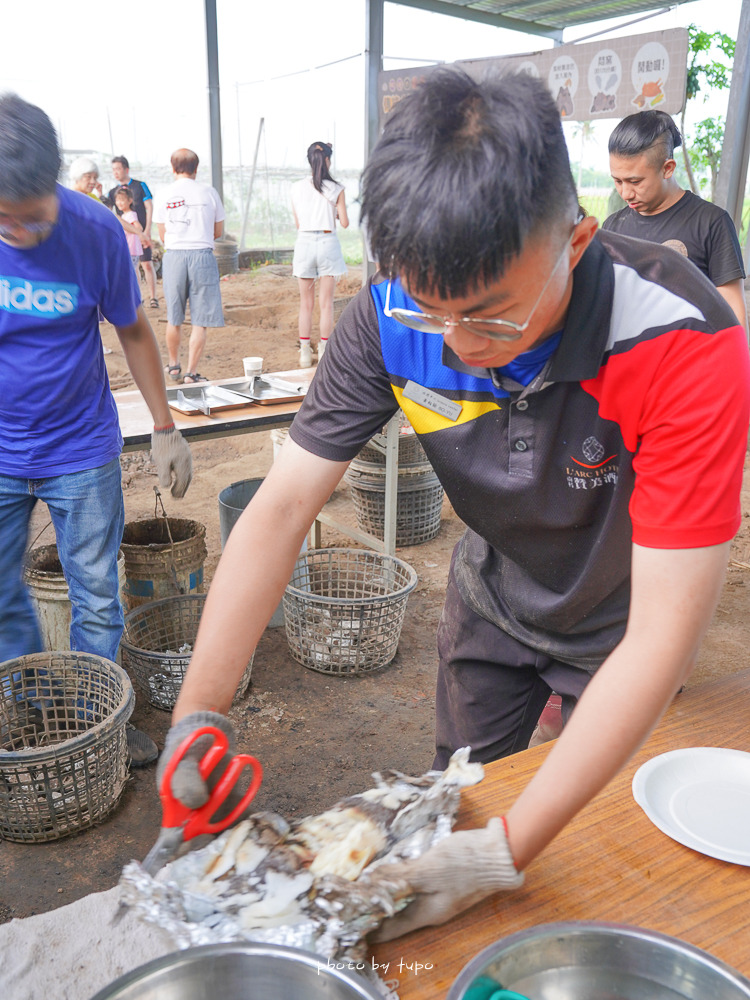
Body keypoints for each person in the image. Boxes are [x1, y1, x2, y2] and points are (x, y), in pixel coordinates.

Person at [156, 70, 750, 935]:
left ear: (576, 242)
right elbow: (281, 510)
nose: (464, 348)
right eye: (435, 315)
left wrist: (503, 856)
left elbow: (664, 634)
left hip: (624, 624)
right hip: (494, 599)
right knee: (458, 798)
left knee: (584, 847)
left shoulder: (683, 342)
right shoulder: (392, 314)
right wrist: (197, 716)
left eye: (495, 317)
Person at [0, 93, 193, 764]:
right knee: (0, 594)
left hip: (79, 447)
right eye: (5, 219)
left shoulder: (95, 229)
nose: (20, 231)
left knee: (97, 595)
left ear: (54, 181)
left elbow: (133, 329)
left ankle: (99, 717)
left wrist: (164, 426)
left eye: (32, 215)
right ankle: (28, 715)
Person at [603, 110, 747, 333]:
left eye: (635, 181)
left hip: (690, 359)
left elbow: (732, 311)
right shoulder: (613, 227)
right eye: (618, 181)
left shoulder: (711, 223)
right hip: (632, 360)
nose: (625, 193)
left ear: (667, 168)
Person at [152, 148, 225, 384]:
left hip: (174, 256)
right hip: (202, 255)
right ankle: (191, 373)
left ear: (173, 168)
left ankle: (173, 366)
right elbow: (218, 231)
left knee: (174, 318)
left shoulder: (164, 194)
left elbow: (162, 234)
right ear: (196, 168)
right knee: (200, 320)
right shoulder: (209, 192)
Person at [290, 141, 348, 367]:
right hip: (327, 243)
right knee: (326, 304)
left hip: (304, 243)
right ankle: (324, 349)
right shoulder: (337, 188)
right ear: (327, 161)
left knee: (306, 304)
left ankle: (305, 352)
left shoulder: (296, 187)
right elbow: (344, 222)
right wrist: (331, 214)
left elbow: (298, 222)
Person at [107, 155, 159, 308]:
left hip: (141, 233)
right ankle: (137, 298)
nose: (115, 172)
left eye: (118, 168)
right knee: (132, 268)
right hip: (127, 238)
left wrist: (147, 229)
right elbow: (110, 213)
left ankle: (153, 297)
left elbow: (149, 207)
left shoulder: (140, 185)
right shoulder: (112, 192)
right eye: (113, 169)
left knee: (147, 264)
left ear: (126, 169)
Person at [114, 185, 144, 281]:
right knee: (133, 272)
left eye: (122, 200)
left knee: (132, 272)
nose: (119, 203)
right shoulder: (124, 215)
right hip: (129, 249)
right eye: (117, 200)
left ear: (130, 201)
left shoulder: (131, 214)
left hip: (131, 249)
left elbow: (139, 228)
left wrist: (132, 229)